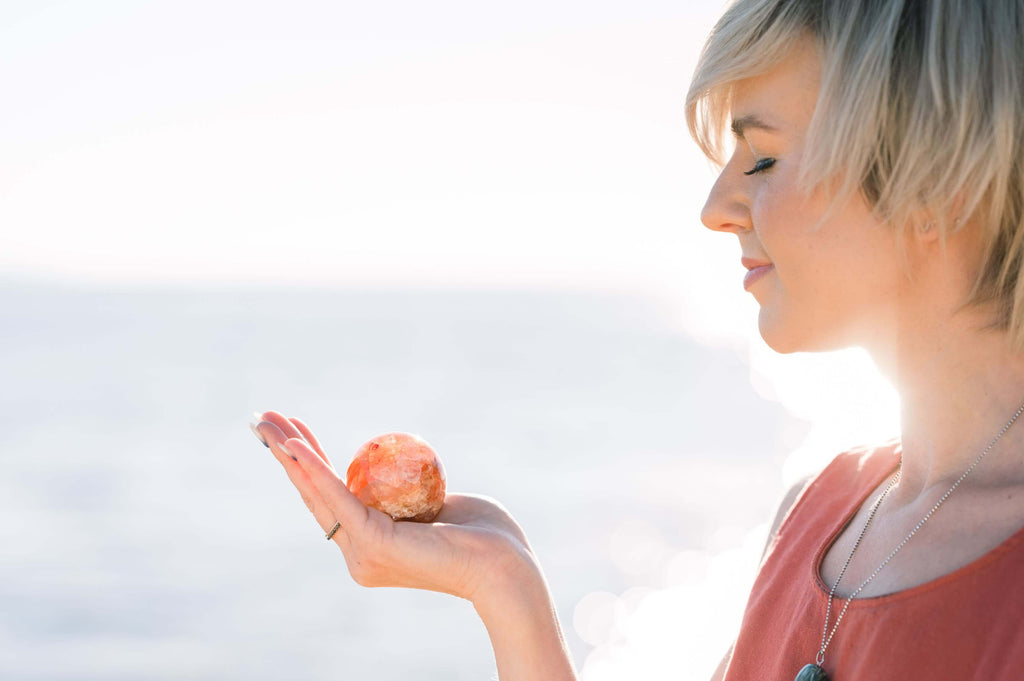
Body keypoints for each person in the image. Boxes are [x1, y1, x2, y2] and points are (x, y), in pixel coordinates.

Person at [251, 0, 1024, 678]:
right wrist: (505, 589)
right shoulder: (821, 513)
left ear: (938, 178)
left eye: (762, 157)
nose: (716, 206)